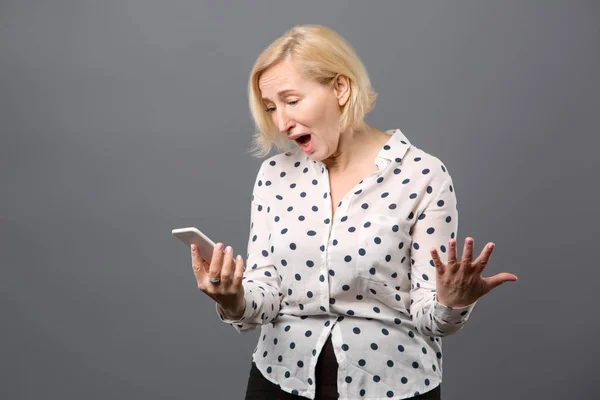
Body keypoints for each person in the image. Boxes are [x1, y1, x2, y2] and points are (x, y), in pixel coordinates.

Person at [189, 24, 518, 400]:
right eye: (270, 107)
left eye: (291, 101)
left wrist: (453, 301)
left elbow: (432, 318)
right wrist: (233, 299)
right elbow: (265, 295)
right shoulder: (274, 176)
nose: (280, 122)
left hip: (394, 388)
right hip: (279, 381)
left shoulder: (423, 175)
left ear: (340, 89)